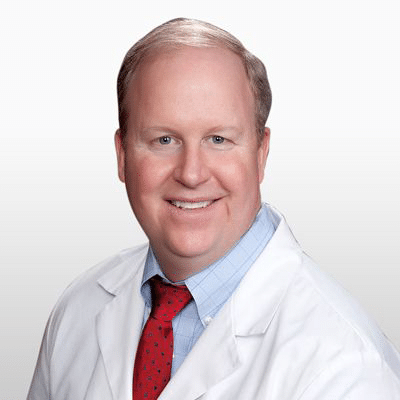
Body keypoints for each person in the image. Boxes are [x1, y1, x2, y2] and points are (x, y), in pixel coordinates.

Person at [27, 18, 400, 400]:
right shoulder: (79, 307)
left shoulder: (346, 367)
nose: (191, 173)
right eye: (164, 139)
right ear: (122, 155)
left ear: (261, 152)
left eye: (218, 139)